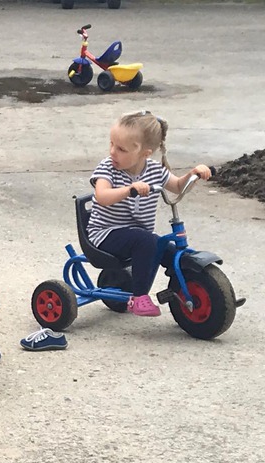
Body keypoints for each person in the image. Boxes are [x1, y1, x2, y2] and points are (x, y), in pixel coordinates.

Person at [87, 110, 212, 316]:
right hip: (105, 233)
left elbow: (178, 186)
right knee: (148, 241)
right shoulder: (107, 168)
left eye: (121, 149)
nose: (112, 152)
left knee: (167, 249)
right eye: (111, 144)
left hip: (136, 236)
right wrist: (129, 189)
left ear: (145, 153)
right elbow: (102, 196)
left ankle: (200, 286)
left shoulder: (155, 170)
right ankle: (139, 297)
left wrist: (193, 174)